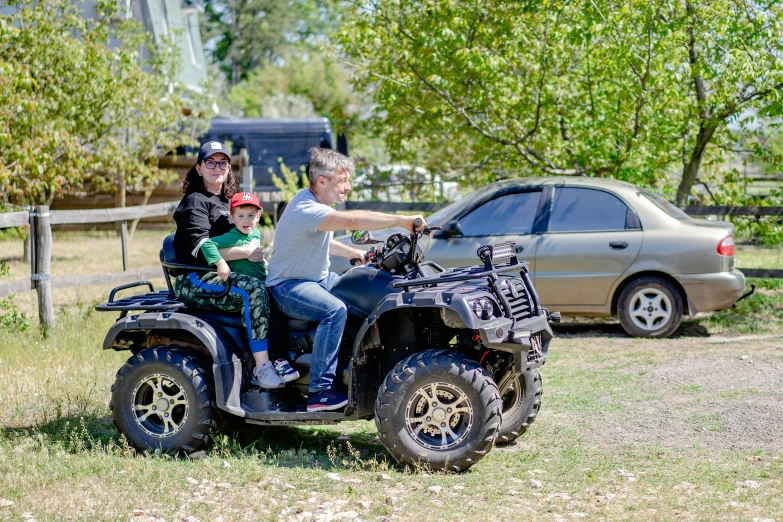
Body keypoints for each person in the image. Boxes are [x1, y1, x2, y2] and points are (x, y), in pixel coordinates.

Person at [266, 147, 426, 412]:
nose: (348, 187)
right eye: (343, 181)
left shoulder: (316, 204)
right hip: (288, 285)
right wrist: (402, 220)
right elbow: (352, 219)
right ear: (321, 181)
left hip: (317, 279)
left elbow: (316, 242)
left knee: (358, 288)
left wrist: (353, 254)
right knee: (335, 310)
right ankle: (320, 391)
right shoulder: (306, 208)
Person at [172, 141, 290, 388]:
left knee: (278, 286)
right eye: (211, 162)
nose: (218, 168)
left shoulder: (228, 202)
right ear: (199, 168)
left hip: (220, 274)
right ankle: (261, 367)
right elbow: (201, 245)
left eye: (223, 162)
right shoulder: (194, 201)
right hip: (196, 278)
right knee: (252, 291)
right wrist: (240, 255)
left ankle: (283, 357)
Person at [200, 191, 299, 388]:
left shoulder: (255, 233)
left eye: (251, 215)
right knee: (274, 316)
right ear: (231, 217)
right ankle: (276, 360)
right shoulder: (232, 236)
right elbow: (208, 245)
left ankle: (290, 356)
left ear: (259, 216)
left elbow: (257, 259)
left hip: (264, 281)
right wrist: (220, 263)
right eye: (241, 216)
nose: (246, 221)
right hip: (252, 288)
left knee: (283, 308)